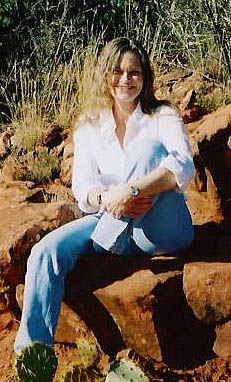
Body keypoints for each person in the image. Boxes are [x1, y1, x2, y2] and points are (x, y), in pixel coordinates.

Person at [14, 37, 194, 363]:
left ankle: (106, 246)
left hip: (161, 224)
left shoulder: (162, 115)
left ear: (145, 77)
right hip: (110, 217)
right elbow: (83, 187)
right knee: (45, 252)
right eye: (118, 71)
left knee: (149, 150)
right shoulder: (90, 124)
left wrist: (133, 191)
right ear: (105, 75)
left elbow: (181, 166)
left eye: (133, 72)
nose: (125, 79)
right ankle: (33, 356)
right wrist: (110, 198)